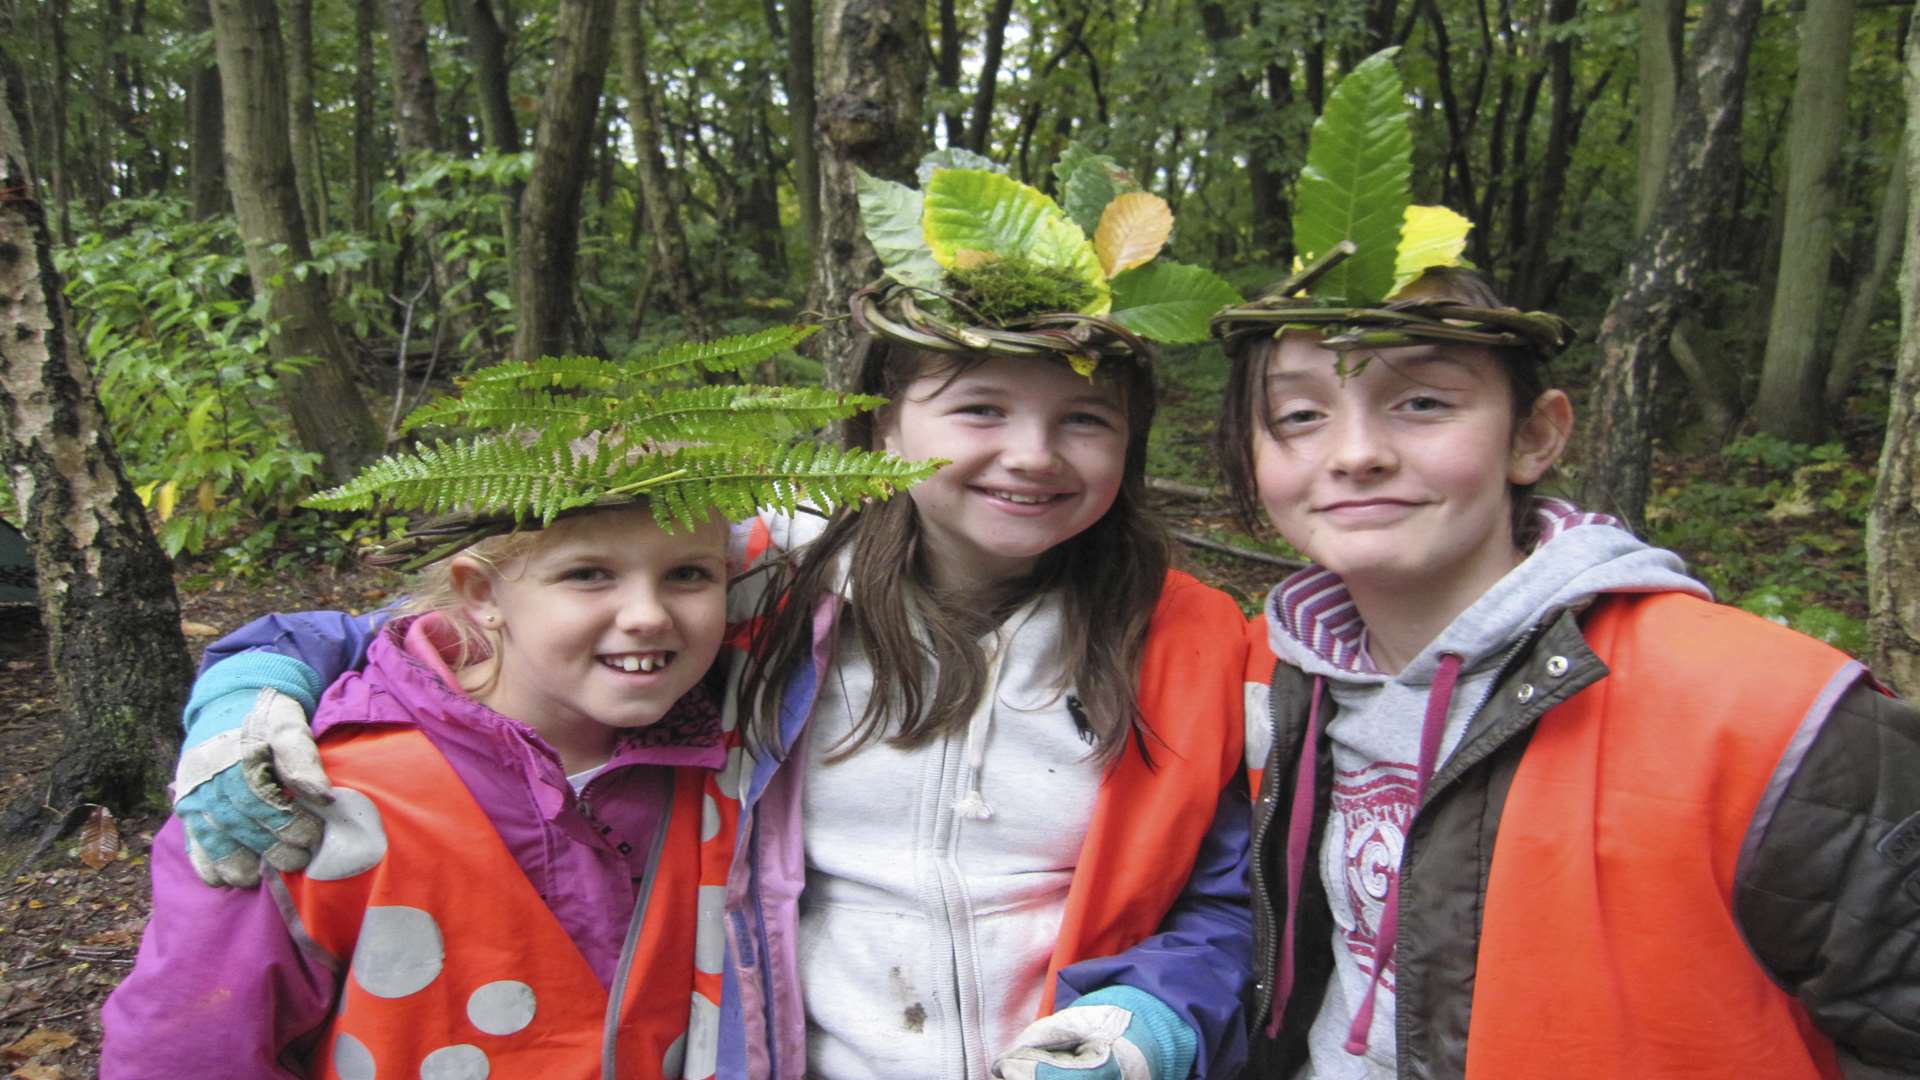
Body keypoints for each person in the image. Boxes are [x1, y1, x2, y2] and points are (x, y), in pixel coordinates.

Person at [148, 159, 1257, 1080]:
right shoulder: (766, 581)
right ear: (881, 426)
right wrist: (249, 690)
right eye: (978, 408)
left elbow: (1229, 894)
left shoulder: (1197, 647)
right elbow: (436, 630)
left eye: (1083, 421)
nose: (1030, 455)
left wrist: (1148, 1020)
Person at [1211, 266, 1920, 1079]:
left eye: (1423, 403)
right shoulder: (1274, 674)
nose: (1358, 453)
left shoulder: (1774, 715)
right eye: (1300, 414)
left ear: (1534, 437)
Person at [102, 502, 742, 1078]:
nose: (647, 615)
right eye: (587, 574)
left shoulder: (730, 763)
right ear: (480, 592)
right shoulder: (315, 791)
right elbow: (188, 1047)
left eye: (689, 574)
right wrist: (247, 680)